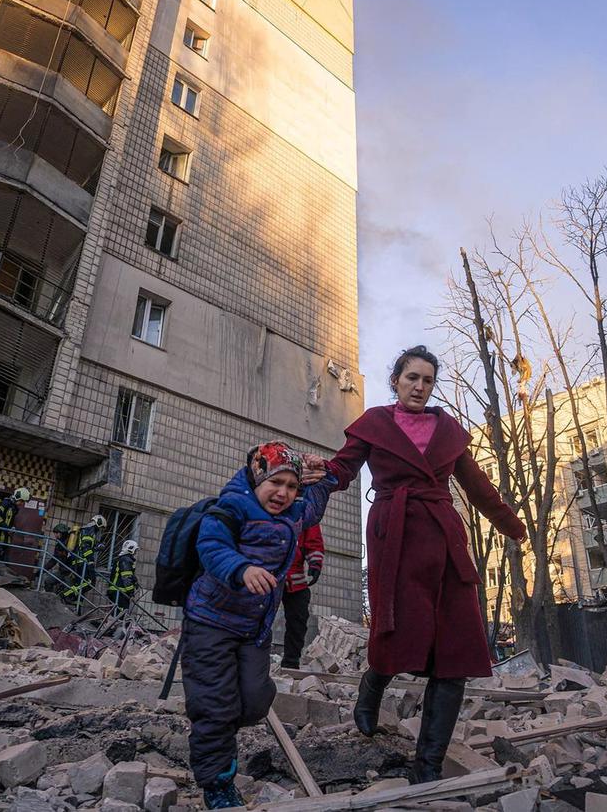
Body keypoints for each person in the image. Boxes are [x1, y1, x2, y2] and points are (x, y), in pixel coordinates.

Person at [308, 346, 526, 785]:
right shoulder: (375, 422)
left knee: (456, 650)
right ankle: (374, 683)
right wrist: (318, 474)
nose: (420, 387)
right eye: (412, 378)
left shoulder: (448, 430)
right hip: (396, 537)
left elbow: (478, 486)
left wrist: (513, 526)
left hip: (445, 542)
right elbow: (343, 469)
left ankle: (427, 767)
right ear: (396, 381)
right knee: (398, 631)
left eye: (427, 380)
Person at [182, 442, 336, 809]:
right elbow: (211, 545)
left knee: (254, 702)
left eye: (292, 486)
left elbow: (313, 507)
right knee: (215, 706)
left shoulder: (293, 513)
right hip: (210, 624)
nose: (283, 493)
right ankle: (217, 784)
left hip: (253, 630)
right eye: (275, 483)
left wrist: (324, 475)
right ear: (256, 477)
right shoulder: (232, 506)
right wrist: (242, 569)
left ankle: (219, 730)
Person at [279, 522, 324, 670]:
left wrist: (315, 563)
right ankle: (255, 664)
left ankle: (290, 664)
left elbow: (313, 539)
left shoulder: (305, 513)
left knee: (298, 619)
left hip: (295, 577)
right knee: (259, 621)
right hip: (267, 575)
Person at [0, 487, 32, 577]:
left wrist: (11, 528)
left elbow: (7, 521)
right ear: (18, 498)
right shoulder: (5, 503)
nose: (22, 504)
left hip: (2, 540)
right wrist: (7, 528)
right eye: (22, 501)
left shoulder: (13, 507)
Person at [107, 539, 140, 620]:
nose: (136, 553)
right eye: (135, 550)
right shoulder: (126, 560)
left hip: (116, 591)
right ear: (131, 549)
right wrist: (131, 592)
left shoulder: (123, 559)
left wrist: (134, 580)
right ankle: (114, 627)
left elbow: (127, 574)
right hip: (119, 591)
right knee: (120, 615)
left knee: (116, 614)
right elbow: (126, 577)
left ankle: (110, 626)